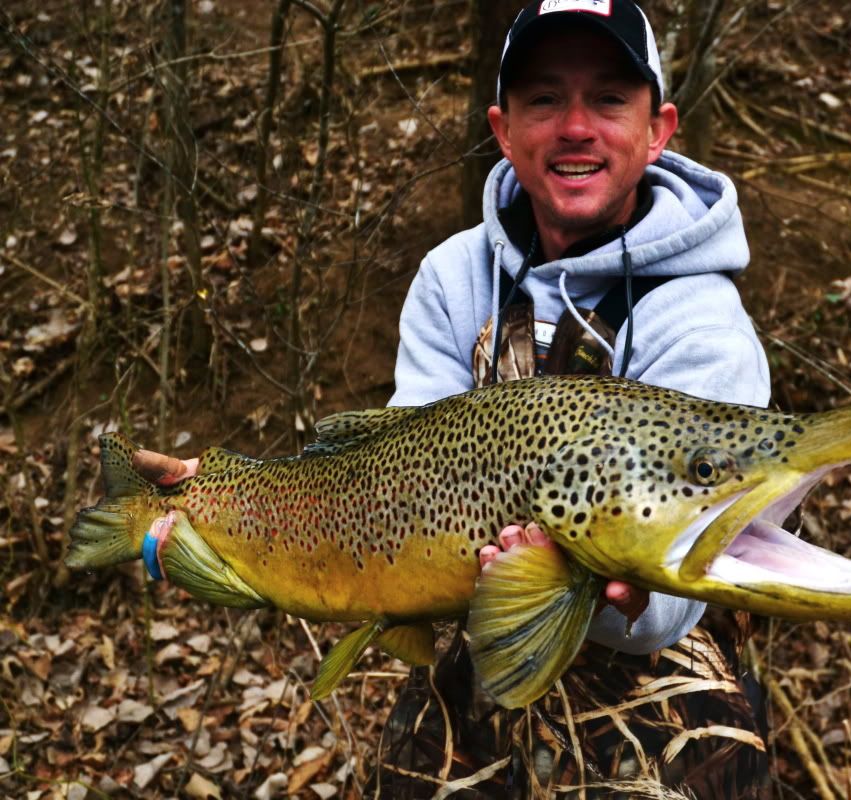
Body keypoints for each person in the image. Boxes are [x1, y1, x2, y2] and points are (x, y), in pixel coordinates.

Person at [134, 2, 772, 796]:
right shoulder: (452, 274)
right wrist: (230, 517)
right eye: (544, 99)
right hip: (467, 694)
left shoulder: (705, 325)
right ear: (502, 130)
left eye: (609, 99)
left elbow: (670, 606)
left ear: (657, 129)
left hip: (662, 715)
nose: (575, 127)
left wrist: (603, 588)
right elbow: (387, 483)